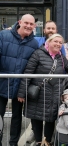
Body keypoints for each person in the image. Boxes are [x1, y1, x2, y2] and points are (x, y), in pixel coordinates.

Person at [17, 34, 68, 146]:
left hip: (54, 94)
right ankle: (39, 142)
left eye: (60, 42)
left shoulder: (60, 57)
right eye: (55, 41)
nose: (58, 44)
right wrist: (22, 93)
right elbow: (28, 73)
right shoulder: (38, 54)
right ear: (48, 42)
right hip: (39, 94)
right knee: (36, 118)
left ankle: (47, 142)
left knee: (50, 119)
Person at [0, 14, 38, 146]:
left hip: (19, 86)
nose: (28, 26)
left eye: (31, 24)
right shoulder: (3, 36)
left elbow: (33, 66)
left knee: (16, 118)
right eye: (26, 23)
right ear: (20, 22)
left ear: (34, 26)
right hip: (2, 83)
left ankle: (13, 143)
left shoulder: (34, 43)